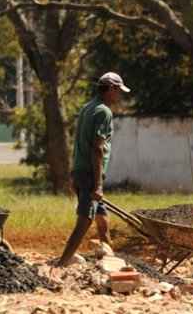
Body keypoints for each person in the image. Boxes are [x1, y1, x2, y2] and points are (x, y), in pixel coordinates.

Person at [56, 72, 130, 267]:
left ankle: (108, 258)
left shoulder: (87, 108)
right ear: (111, 89)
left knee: (101, 217)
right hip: (91, 174)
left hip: (82, 171)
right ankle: (61, 263)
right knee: (85, 220)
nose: (119, 96)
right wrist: (97, 185)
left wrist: (74, 174)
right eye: (119, 91)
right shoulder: (103, 111)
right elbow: (97, 148)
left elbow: (78, 143)